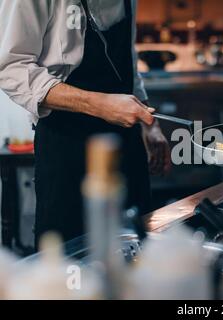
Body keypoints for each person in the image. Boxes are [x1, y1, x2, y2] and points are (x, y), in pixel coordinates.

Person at [0, 0, 171, 244]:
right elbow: (10, 68)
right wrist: (100, 105)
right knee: (67, 260)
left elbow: (128, 59)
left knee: (135, 249)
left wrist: (149, 124)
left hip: (126, 143)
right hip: (66, 147)